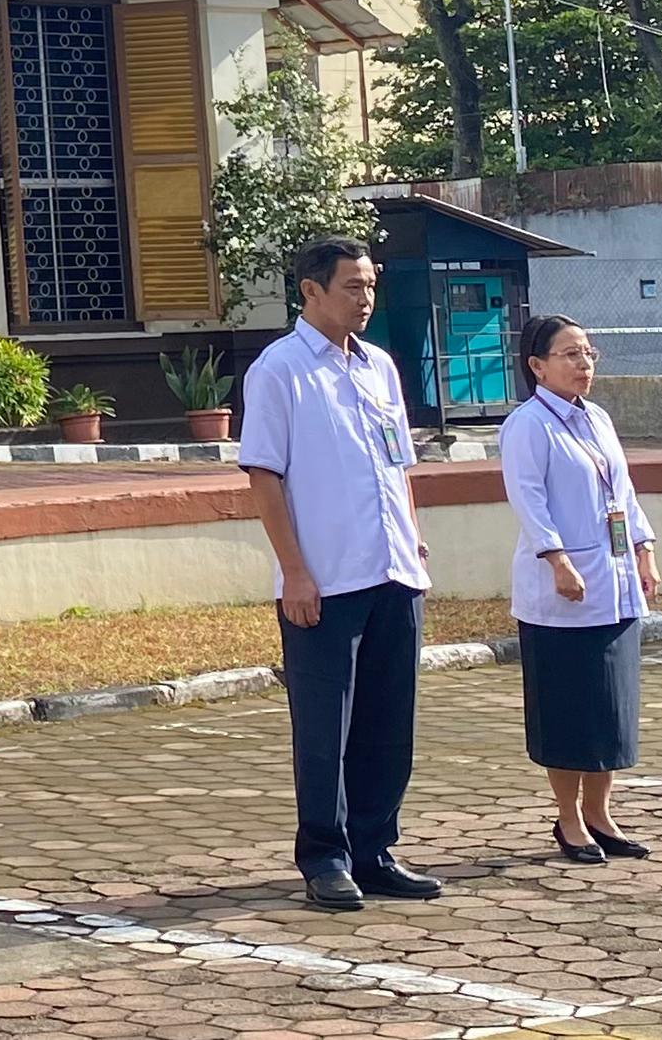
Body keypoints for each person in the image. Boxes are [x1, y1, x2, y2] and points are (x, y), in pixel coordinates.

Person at [238, 236, 440, 912]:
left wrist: (413, 541)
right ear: (311, 291)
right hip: (324, 580)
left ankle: (375, 847)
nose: (365, 297)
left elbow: (396, 465)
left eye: (371, 284)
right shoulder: (280, 370)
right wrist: (294, 571)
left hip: (391, 570)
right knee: (326, 729)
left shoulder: (380, 366)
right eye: (352, 286)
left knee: (390, 723)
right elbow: (264, 477)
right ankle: (325, 855)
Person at [500, 315, 659, 863]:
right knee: (568, 710)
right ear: (537, 366)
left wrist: (645, 548)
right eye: (569, 354)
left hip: (614, 581)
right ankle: (568, 819)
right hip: (561, 591)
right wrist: (557, 560)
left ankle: (601, 813)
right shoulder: (528, 425)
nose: (583, 364)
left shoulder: (597, 419)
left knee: (609, 709)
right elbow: (528, 499)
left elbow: (625, 491)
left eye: (589, 353)